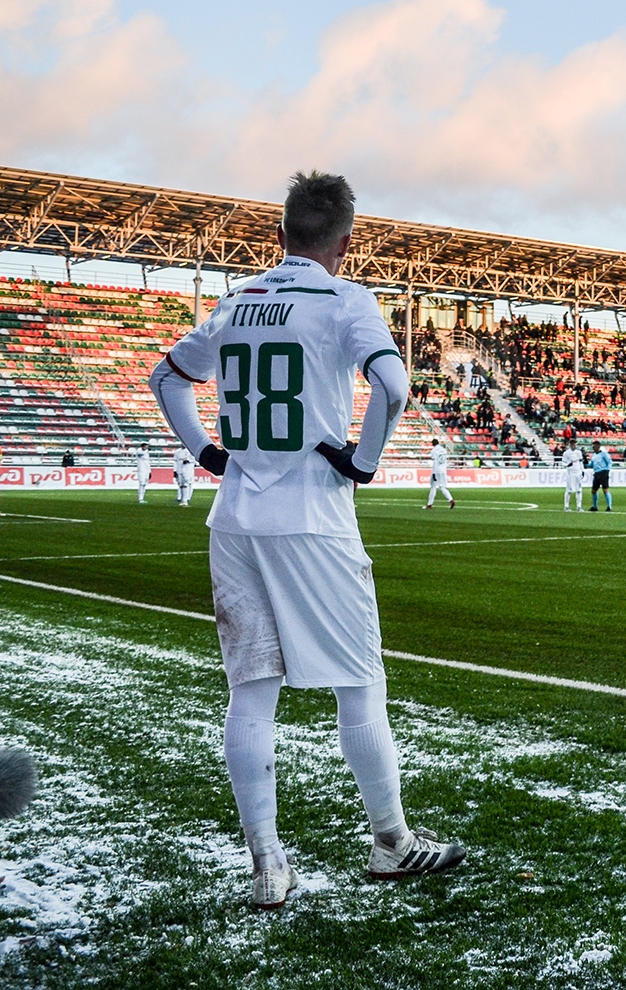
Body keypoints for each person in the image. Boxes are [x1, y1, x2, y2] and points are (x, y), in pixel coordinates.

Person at [148, 170, 464, 910]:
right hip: (315, 520)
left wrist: (204, 453)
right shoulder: (345, 299)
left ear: (278, 235)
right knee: (360, 687)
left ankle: (267, 868)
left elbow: (167, 378)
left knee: (250, 697)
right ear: (346, 244)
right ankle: (390, 843)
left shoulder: (237, 300)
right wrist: (363, 461)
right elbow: (394, 387)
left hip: (234, 518)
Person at [424, 438, 455, 510]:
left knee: (433, 486)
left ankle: (429, 504)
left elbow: (435, 462)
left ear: (432, 444)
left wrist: (434, 473)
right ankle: (451, 500)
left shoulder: (434, 451)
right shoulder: (443, 450)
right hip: (443, 470)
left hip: (437, 470)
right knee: (442, 487)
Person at [559, 437, 585, 511]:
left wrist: (582, 471)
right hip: (570, 473)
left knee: (579, 490)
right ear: (570, 445)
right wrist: (567, 465)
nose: (574, 445)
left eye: (575, 444)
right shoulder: (566, 453)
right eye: (572, 444)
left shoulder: (579, 452)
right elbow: (563, 462)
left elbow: (580, 462)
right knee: (569, 490)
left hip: (578, 473)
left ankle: (579, 506)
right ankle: (566, 506)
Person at [588, 440, 613, 511]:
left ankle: (609, 506)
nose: (593, 447)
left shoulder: (604, 454)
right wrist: (586, 464)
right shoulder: (594, 455)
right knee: (594, 490)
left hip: (603, 472)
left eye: (594, 446)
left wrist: (607, 470)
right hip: (596, 473)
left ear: (598, 446)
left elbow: (609, 462)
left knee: (605, 489)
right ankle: (595, 506)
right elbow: (592, 465)